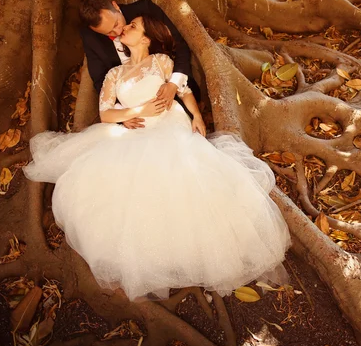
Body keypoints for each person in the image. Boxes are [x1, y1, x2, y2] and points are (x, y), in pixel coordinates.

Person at [24, 15, 291, 301]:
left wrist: (197, 116)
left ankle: (198, 250)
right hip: (134, 131)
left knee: (183, 172)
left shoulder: (161, 62)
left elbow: (184, 90)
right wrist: (133, 113)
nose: (124, 28)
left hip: (170, 126)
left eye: (132, 26)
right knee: (119, 183)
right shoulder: (114, 74)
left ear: (146, 38)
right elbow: (105, 114)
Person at [79, 0, 198, 129]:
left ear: (116, 6)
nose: (118, 31)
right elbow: (100, 79)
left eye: (116, 24)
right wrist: (122, 115)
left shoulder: (144, 10)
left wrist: (173, 84)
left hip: (170, 101)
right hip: (131, 114)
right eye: (109, 33)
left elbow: (180, 46)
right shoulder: (90, 38)